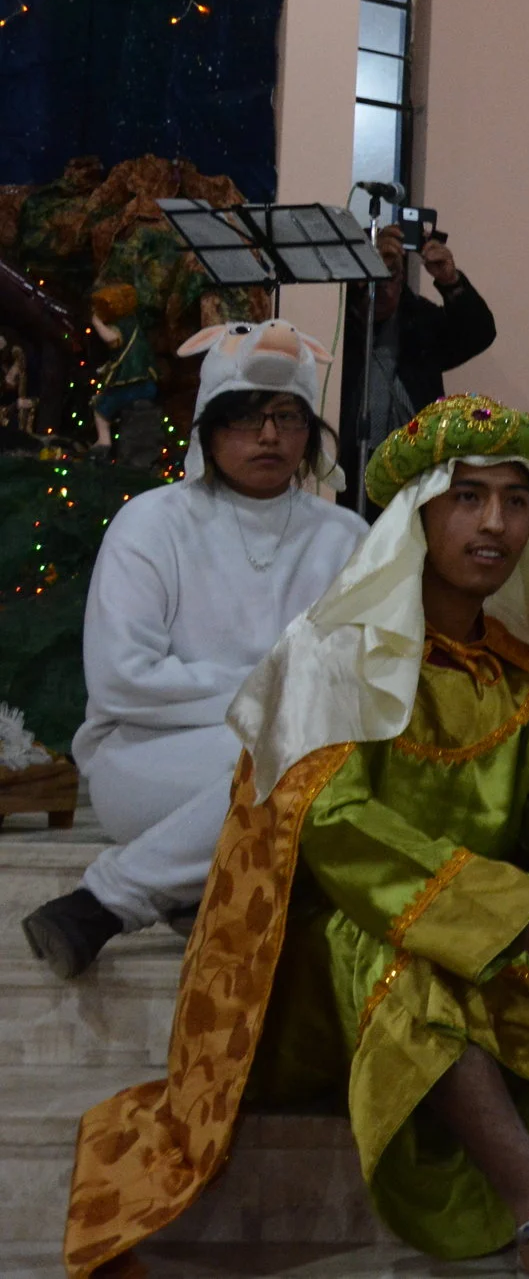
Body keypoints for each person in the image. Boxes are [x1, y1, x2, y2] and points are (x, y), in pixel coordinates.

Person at [64, 396, 529, 1279]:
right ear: (419, 516)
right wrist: (508, 909)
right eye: (468, 498)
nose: (497, 524)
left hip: (468, 927)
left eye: (515, 501)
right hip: (312, 968)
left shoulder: (514, 676)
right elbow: (336, 830)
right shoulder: (332, 659)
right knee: (401, 948)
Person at [24, 319, 364, 979]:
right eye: (246, 416)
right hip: (145, 756)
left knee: (330, 760)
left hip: (295, 758)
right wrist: (277, 698)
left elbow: (357, 677)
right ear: (208, 426)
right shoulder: (152, 523)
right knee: (306, 760)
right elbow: (124, 680)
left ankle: (123, 898)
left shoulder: (346, 535)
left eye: (287, 416)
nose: (269, 435)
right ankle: (137, 889)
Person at [354, 221, 497, 458]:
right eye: (377, 275)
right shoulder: (337, 318)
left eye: (392, 276)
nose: (384, 289)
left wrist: (450, 281)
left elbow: (479, 333)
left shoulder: (417, 317)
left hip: (413, 459)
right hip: (349, 459)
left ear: (402, 280)